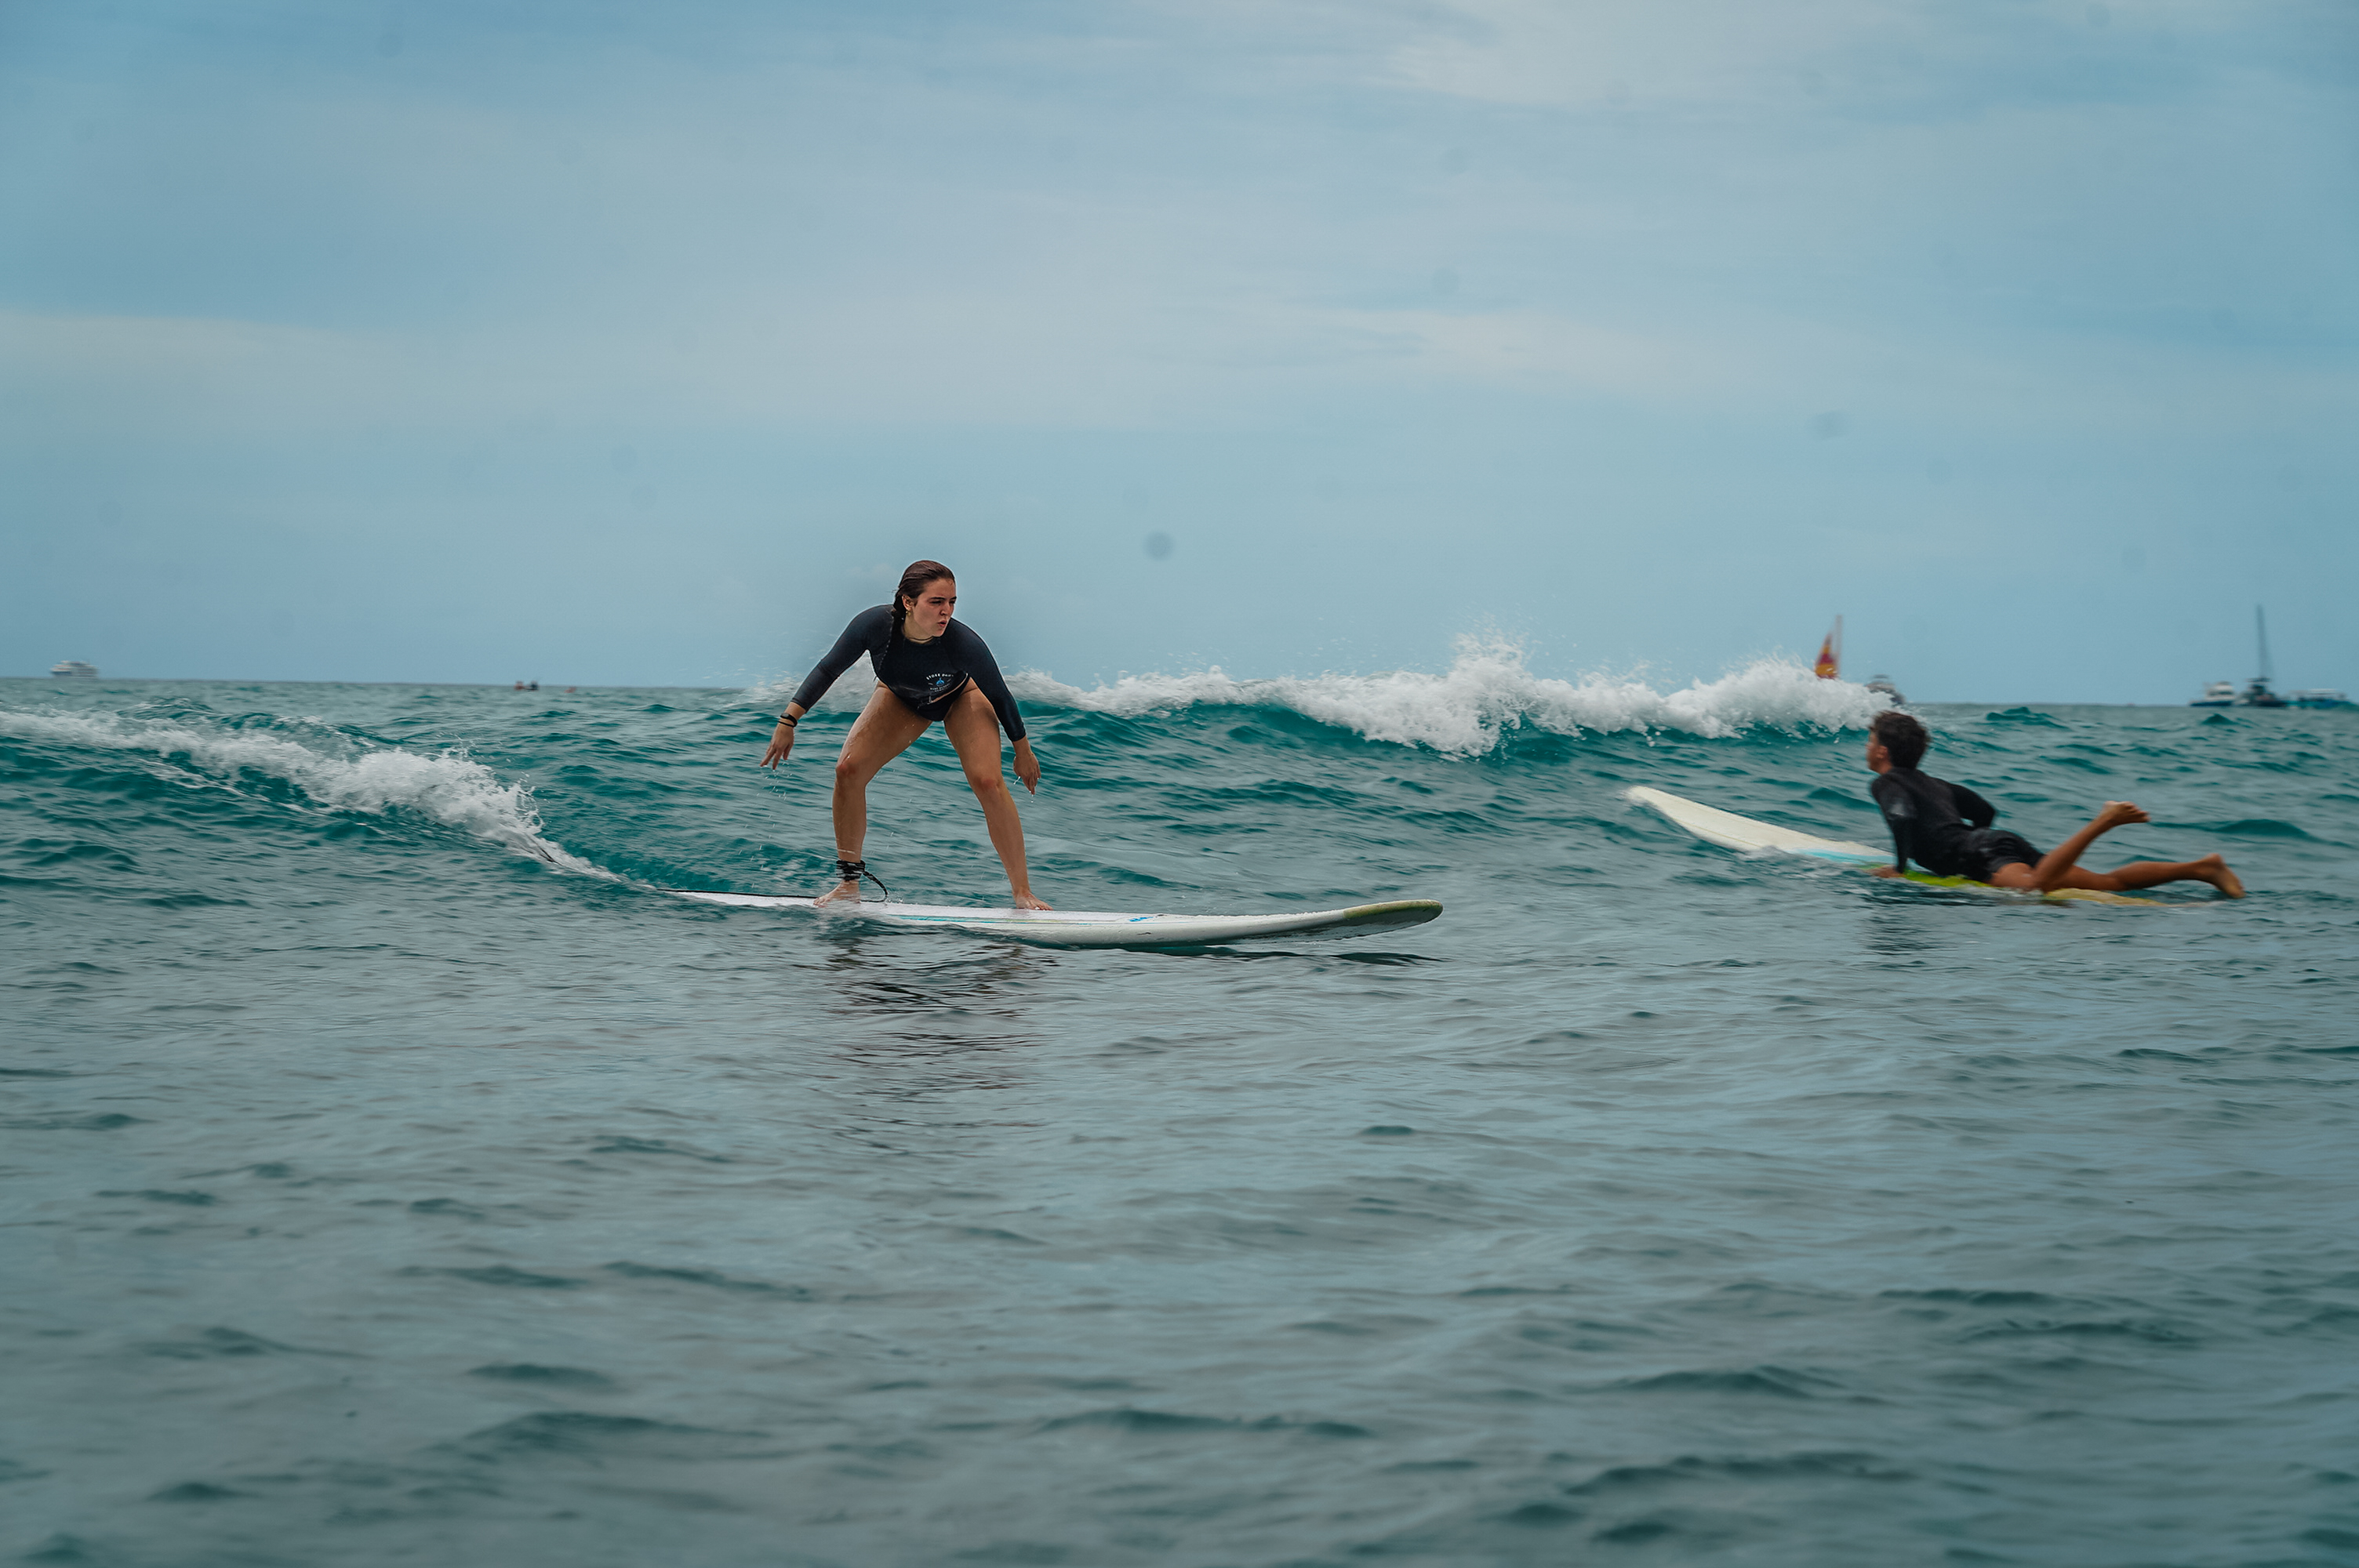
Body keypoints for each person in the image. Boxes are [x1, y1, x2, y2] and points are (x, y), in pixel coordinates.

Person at [760, 561, 1049, 909]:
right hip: (901, 697)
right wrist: (788, 721)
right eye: (936, 602)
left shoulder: (963, 643)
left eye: (952, 602)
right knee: (848, 771)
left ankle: (1022, 892)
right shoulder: (874, 626)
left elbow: (1000, 695)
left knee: (988, 781)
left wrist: (1023, 751)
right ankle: (849, 884)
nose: (947, 612)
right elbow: (828, 668)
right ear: (908, 602)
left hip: (961, 698)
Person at [1864, 710, 2242, 898]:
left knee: (2032, 890)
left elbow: (1902, 816)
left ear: (1882, 751)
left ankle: (2104, 822)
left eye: (1869, 741)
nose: (1866, 747)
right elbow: (1983, 812)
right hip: (1994, 844)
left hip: (1977, 856)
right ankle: (2203, 868)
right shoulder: (1935, 783)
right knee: (2108, 884)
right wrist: (1970, 842)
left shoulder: (1885, 782)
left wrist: (1899, 869)